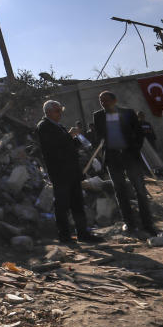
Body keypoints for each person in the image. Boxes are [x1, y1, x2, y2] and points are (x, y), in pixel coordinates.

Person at [90, 91, 157, 236]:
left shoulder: (128, 113)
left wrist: (133, 150)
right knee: (120, 191)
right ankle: (129, 223)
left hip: (130, 157)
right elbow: (100, 137)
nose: (103, 103)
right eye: (101, 101)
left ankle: (148, 224)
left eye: (106, 100)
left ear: (114, 100)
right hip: (113, 159)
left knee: (139, 190)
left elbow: (139, 134)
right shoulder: (98, 116)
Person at [35, 100, 102, 243]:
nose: (60, 114)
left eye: (60, 111)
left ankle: (83, 233)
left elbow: (69, 146)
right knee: (62, 204)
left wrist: (78, 140)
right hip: (59, 172)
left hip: (72, 171)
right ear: (48, 112)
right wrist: (69, 136)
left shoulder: (59, 126)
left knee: (77, 203)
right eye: (57, 111)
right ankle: (64, 235)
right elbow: (53, 146)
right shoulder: (44, 126)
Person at [137, 111, 163, 177]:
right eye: (140, 115)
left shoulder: (147, 123)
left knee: (155, 157)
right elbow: (139, 133)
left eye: (143, 115)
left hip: (151, 142)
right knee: (147, 158)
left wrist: (152, 136)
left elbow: (152, 132)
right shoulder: (137, 124)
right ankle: (148, 172)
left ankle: (158, 171)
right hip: (144, 144)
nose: (142, 117)